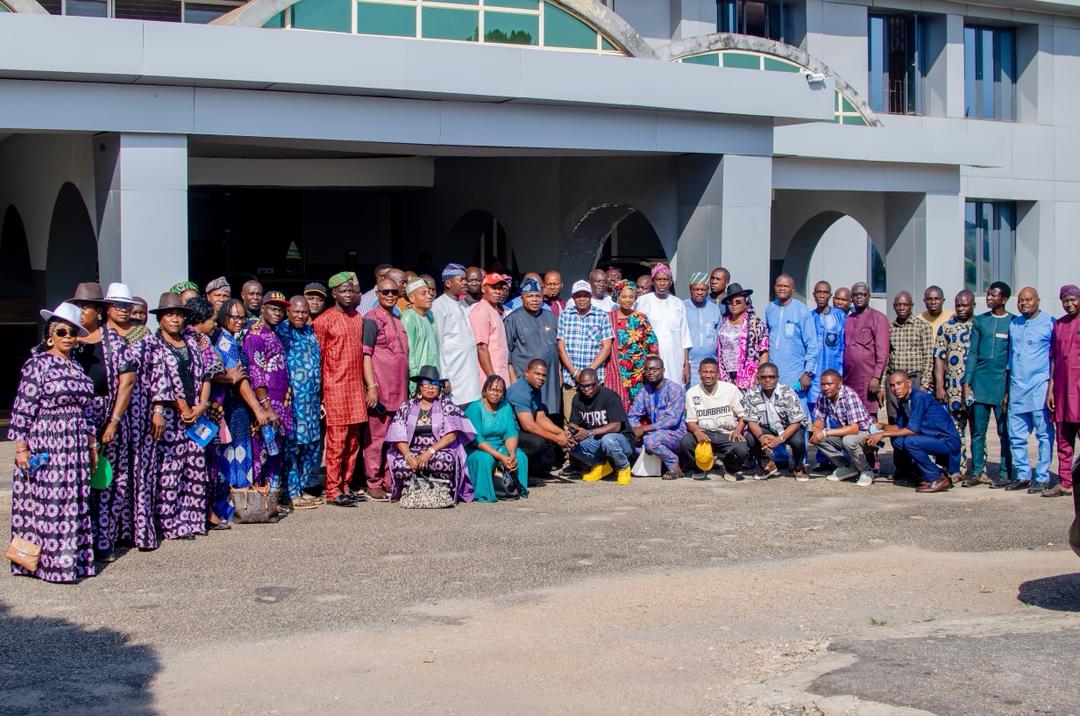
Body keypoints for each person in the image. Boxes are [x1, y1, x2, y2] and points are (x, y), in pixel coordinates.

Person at [9, 302, 98, 582]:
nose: (68, 337)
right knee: (52, 503)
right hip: (48, 441)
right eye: (62, 332)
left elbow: (87, 410)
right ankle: (51, 565)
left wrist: (92, 445)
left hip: (76, 445)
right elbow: (23, 407)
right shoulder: (38, 365)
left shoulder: (75, 366)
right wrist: (22, 447)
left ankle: (73, 562)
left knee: (76, 500)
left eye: (73, 333)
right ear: (50, 334)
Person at [104, 283, 177, 550]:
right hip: (111, 414)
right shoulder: (101, 337)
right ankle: (110, 535)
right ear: (107, 308)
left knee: (142, 473)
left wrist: (158, 410)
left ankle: (140, 532)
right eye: (119, 306)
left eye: (128, 306)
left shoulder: (144, 337)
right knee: (113, 476)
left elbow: (160, 375)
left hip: (142, 413)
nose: (124, 311)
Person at [68, 282, 136, 561]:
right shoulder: (67, 339)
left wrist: (114, 420)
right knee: (75, 482)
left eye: (86, 307)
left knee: (104, 482)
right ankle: (77, 543)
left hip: (106, 414)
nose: (81, 312)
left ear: (98, 311)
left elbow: (127, 382)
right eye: (79, 307)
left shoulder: (114, 341)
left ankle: (103, 540)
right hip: (73, 420)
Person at [152, 292, 221, 539]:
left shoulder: (192, 343)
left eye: (179, 315)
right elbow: (162, 381)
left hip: (196, 413)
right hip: (171, 416)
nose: (175, 320)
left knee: (196, 468)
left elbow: (205, 375)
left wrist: (202, 404)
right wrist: (183, 407)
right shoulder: (155, 345)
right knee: (171, 471)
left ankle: (193, 521)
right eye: (169, 315)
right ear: (160, 319)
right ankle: (171, 525)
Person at [207, 298, 266, 525]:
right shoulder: (225, 341)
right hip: (231, 406)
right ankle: (231, 507)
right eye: (234, 317)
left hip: (235, 406)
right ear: (224, 317)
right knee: (232, 455)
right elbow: (239, 380)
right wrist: (258, 409)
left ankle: (236, 505)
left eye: (242, 316)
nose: (239, 321)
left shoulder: (233, 338)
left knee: (236, 453)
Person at [313, 272, 368, 506]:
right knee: (337, 442)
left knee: (354, 441)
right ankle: (333, 489)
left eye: (350, 291)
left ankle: (346, 485)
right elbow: (319, 358)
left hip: (355, 387)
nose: (347, 295)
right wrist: (321, 394)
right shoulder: (323, 320)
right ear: (333, 293)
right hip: (334, 388)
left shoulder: (357, 317)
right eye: (342, 291)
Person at [385, 365, 475, 503]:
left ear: (439, 387)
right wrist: (409, 456)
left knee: (444, 461)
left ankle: (443, 491)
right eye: (426, 383)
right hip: (413, 449)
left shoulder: (447, 405)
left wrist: (430, 452)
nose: (430, 387)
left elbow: (452, 435)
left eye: (434, 384)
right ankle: (411, 491)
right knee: (400, 464)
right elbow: (398, 435)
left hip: (439, 449)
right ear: (420, 386)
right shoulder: (406, 406)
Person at [864, 371, 960, 493]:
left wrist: (882, 434)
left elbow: (912, 430)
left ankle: (937, 478)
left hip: (946, 442)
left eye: (899, 384)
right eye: (892, 385)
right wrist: (881, 427)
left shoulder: (918, 397)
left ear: (908, 383)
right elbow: (899, 427)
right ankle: (921, 473)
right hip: (930, 439)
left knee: (910, 441)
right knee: (898, 440)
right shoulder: (904, 400)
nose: (896, 389)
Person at [361, 277, 410, 502]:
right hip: (380, 390)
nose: (390, 296)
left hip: (399, 391)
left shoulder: (398, 320)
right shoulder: (371, 319)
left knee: (395, 438)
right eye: (385, 292)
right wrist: (371, 388)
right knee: (376, 439)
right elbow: (366, 356)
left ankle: (390, 479)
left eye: (394, 292)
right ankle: (373, 481)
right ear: (378, 294)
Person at [1004, 287, 1056, 494]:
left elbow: (1054, 359)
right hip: (1017, 386)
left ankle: (1042, 477)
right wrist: (1008, 389)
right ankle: (1023, 475)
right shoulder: (1014, 324)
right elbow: (1010, 357)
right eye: (1021, 300)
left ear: (1038, 301)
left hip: (1039, 386)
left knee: (1043, 434)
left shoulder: (1050, 323)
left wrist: (1051, 387)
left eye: (1028, 300)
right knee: (1015, 435)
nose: (1024, 303)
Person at [964, 281, 1015, 487]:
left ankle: (1005, 473)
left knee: (1005, 432)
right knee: (978, 432)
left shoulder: (1014, 322)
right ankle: (976, 471)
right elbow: (973, 354)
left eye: (993, 295)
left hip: (1001, 385)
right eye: (988, 294)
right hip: (980, 384)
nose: (988, 298)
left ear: (1003, 299)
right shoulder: (980, 321)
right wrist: (968, 382)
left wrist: (1008, 391)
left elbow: (1013, 359)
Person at [276, 296, 324, 509]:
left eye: (304, 312)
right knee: (292, 447)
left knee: (311, 445)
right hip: (292, 401)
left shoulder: (310, 331)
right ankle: (291, 492)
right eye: (296, 312)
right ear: (288, 312)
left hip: (311, 402)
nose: (300, 316)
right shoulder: (282, 332)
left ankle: (302, 487)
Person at [242, 291, 291, 492]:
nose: (278, 313)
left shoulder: (274, 333)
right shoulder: (256, 336)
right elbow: (255, 374)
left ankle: (272, 496)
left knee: (275, 452)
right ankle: (257, 499)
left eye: (281, 309)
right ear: (262, 308)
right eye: (273, 308)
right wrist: (265, 407)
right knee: (261, 451)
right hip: (267, 407)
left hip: (280, 406)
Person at [932, 290, 975, 484]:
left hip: (976, 388)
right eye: (958, 305)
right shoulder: (946, 328)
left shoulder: (980, 325)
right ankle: (957, 467)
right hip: (953, 389)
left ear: (973, 305)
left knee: (978, 430)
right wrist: (940, 386)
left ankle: (977, 470)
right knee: (955, 430)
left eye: (965, 305)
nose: (961, 308)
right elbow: (939, 359)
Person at [681, 357, 748, 481]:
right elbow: (690, 420)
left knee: (742, 448)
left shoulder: (730, 389)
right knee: (686, 442)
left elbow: (743, 415)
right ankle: (699, 468)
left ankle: (730, 468)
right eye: (705, 372)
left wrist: (738, 430)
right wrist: (697, 432)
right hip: (705, 434)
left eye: (712, 372)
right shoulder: (692, 392)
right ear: (699, 373)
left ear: (718, 374)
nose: (708, 375)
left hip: (727, 434)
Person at [557, 280, 614, 422]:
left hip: (594, 380)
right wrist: (575, 372)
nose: (582, 299)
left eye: (585, 295)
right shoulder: (565, 315)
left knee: (595, 420)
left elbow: (607, 347)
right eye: (578, 296)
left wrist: (588, 372)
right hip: (571, 378)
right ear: (573, 298)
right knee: (570, 420)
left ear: (591, 297)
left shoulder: (602, 316)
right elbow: (561, 346)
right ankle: (570, 444)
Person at [464, 375, 529, 501]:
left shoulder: (505, 407)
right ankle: (484, 494)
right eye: (492, 390)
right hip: (478, 448)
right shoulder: (475, 408)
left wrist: (511, 454)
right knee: (485, 459)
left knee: (520, 455)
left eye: (499, 391)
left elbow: (510, 433)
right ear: (484, 391)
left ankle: (517, 489)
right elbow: (477, 439)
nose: (495, 393)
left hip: (500, 446)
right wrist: (500, 457)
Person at [764, 274, 818, 426]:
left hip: (796, 374)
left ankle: (801, 450)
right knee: (775, 415)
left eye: (786, 286)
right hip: (774, 374)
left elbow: (812, 345)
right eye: (779, 285)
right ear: (774, 287)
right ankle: (779, 450)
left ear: (792, 289)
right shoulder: (770, 308)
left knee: (799, 415)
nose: (782, 288)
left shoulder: (801, 310)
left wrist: (808, 373)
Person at [567, 368, 635, 485]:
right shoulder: (577, 398)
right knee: (568, 443)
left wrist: (588, 433)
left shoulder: (610, 396)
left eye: (590, 386)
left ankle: (623, 467)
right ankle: (601, 466)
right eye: (582, 386)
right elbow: (574, 422)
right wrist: (573, 429)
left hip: (622, 441)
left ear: (598, 383)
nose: (586, 389)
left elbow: (616, 426)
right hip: (597, 440)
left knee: (608, 439)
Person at [741, 362, 809, 480]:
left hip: (788, 429)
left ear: (777, 378)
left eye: (771, 377)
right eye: (764, 377)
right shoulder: (751, 394)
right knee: (751, 438)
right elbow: (751, 421)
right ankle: (766, 465)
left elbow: (796, 422)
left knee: (799, 440)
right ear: (758, 378)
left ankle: (798, 467)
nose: (768, 380)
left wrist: (780, 439)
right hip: (767, 429)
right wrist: (761, 436)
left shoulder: (787, 393)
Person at [505, 277, 561, 415]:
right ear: (522, 298)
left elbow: (557, 347)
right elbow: (507, 353)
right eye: (530, 296)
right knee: (529, 413)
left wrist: (559, 372)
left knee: (551, 413)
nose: (535, 300)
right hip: (525, 379)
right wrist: (513, 380)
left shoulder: (551, 317)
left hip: (550, 379)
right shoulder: (512, 319)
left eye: (538, 296)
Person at [809, 370, 875, 486]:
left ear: (839, 384)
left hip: (865, 433)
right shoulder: (823, 396)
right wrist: (817, 431)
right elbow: (819, 419)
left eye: (830, 384)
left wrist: (825, 432)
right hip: (846, 432)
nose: (826, 388)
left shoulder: (849, 396)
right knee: (817, 438)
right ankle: (845, 466)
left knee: (848, 440)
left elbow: (854, 429)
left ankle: (866, 470)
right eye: (823, 384)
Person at [508, 359, 573, 474]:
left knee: (546, 437)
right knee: (537, 442)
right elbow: (529, 426)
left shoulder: (535, 389)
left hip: (521, 430)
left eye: (544, 375)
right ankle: (511, 469)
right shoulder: (519, 391)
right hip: (509, 432)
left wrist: (561, 433)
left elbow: (541, 418)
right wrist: (557, 439)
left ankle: (532, 470)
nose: (541, 378)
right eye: (537, 374)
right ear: (527, 373)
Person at [604, 278, 659, 411]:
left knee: (637, 405)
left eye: (631, 297)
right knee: (614, 403)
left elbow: (652, 345)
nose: (628, 300)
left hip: (637, 373)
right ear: (617, 297)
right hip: (614, 369)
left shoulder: (640, 318)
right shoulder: (607, 317)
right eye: (624, 296)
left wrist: (649, 368)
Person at [628, 356, 687, 479]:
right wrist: (637, 429)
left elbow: (672, 420)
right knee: (629, 441)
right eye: (648, 370)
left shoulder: (675, 390)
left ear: (663, 370)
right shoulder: (645, 391)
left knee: (650, 441)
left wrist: (644, 429)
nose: (651, 373)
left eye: (655, 369)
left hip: (676, 433)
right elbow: (633, 415)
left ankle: (674, 465)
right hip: (654, 433)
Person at [431, 263, 482, 407]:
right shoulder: (438, 306)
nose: (465, 283)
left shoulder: (464, 304)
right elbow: (438, 343)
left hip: (469, 371)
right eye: (461, 280)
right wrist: (443, 376)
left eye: (466, 279)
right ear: (448, 283)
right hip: (453, 372)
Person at [1047, 284, 1080, 498]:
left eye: (1073, 299)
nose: (1069, 304)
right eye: (1065, 301)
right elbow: (1053, 360)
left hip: (1078, 388)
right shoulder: (1059, 324)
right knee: (1063, 438)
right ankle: (1066, 482)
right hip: (1061, 389)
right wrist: (1050, 390)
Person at [882, 291, 934, 422]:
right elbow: (886, 358)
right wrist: (883, 386)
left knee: (914, 418)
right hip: (893, 380)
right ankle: (897, 443)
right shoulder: (889, 328)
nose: (901, 307)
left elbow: (928, 356)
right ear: (894, 306)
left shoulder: (923, 326)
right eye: (898, 304)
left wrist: (925, 384)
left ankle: (913, 443)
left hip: (914, 378)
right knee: (894, 417)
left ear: (911, 306)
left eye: (905, 304)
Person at [635, 264, 692, 385]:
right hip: (650, 357)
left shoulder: (678, 303)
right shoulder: (642, 302)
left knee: (674, 390)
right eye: (659, 279)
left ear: (670, 282)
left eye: (665, 279)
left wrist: (686, 364)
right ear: (653, 281)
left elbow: (684, 336)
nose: (662, 283)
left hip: (674, 358)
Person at [844, 282, 889, 415]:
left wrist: (876, 377)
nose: (859, 297)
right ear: (851, 297)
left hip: (868, 378)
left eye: (863, 294)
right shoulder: (848, 319)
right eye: (856, 294)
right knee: (852, 413)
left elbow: (883, 351)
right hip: (849, 377)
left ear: (869, 296)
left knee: (868, 415)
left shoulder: (878, 318)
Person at [716, 283, 769, 389]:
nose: (734, 305)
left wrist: (761, 373)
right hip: (725, 374)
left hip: (750, 375)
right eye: (731, 302)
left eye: (738, 302)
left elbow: (764, 351)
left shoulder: (755, 322)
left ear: (746, 302)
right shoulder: (723, 321)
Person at [469, 273, 510, 383]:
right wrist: (491, 376)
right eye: (493, 288)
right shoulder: (481, 312)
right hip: (491, 376)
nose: (498, 292)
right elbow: (482, 348)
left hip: (500, 371)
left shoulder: (494, 309)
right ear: (483, 289)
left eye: (500, 288)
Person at [809, 281, 845, 410]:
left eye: (825, 293)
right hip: (814, 376)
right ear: (814, 294)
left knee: (836, 412)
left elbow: (843, 346)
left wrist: (841, 374)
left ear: (830, 295)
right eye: (819, 292)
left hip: (835, 370)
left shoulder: (840, 316)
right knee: (815, 411)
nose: (822, 296)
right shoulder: (809, 317)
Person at [685, 272, 722, 388]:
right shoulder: (681, 307)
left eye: (703, 289)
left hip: (710, 365)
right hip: (689, 364)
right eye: (696, 289)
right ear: (690, 289)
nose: (699, 292)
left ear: (707, 290)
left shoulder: (714, 309)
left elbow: (719, 337)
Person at [401, 277, 439, 379]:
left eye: (429, 292)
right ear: (412, 298)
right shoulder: (408, 317)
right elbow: (410, 350)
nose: (429, 296)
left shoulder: (429, 316)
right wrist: (415, 377)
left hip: (433, 374)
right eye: (423, 293)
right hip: (420, 377)